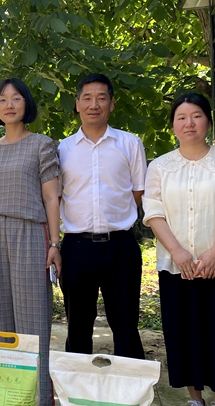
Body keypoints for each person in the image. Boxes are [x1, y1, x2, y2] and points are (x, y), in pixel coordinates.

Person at [143, 93, 215, 406]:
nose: (188, 123)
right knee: (183, 333)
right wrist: (177, 252)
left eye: (196, 116)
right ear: (173, 125)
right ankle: (196, 402)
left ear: (208, 121)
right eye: (181, 117)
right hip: (176, 267)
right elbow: (154, 212)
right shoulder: (159, 166)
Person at [0, 78, 61, 406]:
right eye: (2, 99)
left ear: (26, 103)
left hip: (29, 232)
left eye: (15, 98)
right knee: (1, 317)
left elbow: (51, 197)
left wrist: (55, 243)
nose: (8, 105)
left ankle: (36, 399)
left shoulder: (42, 144)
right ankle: (8, 397)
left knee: (33, 318)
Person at [58, 73, 147, 359]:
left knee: (126, 325)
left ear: (111, 103)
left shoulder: (130, 143)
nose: (93, 104)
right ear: (77, 104)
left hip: (121, 247)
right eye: (87, 98)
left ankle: (129, 385)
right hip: (76, 248)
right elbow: (56, 196)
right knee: (77, 326)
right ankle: (77, 386)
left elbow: (138, 191)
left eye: (101, 98)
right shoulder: (62, 149)